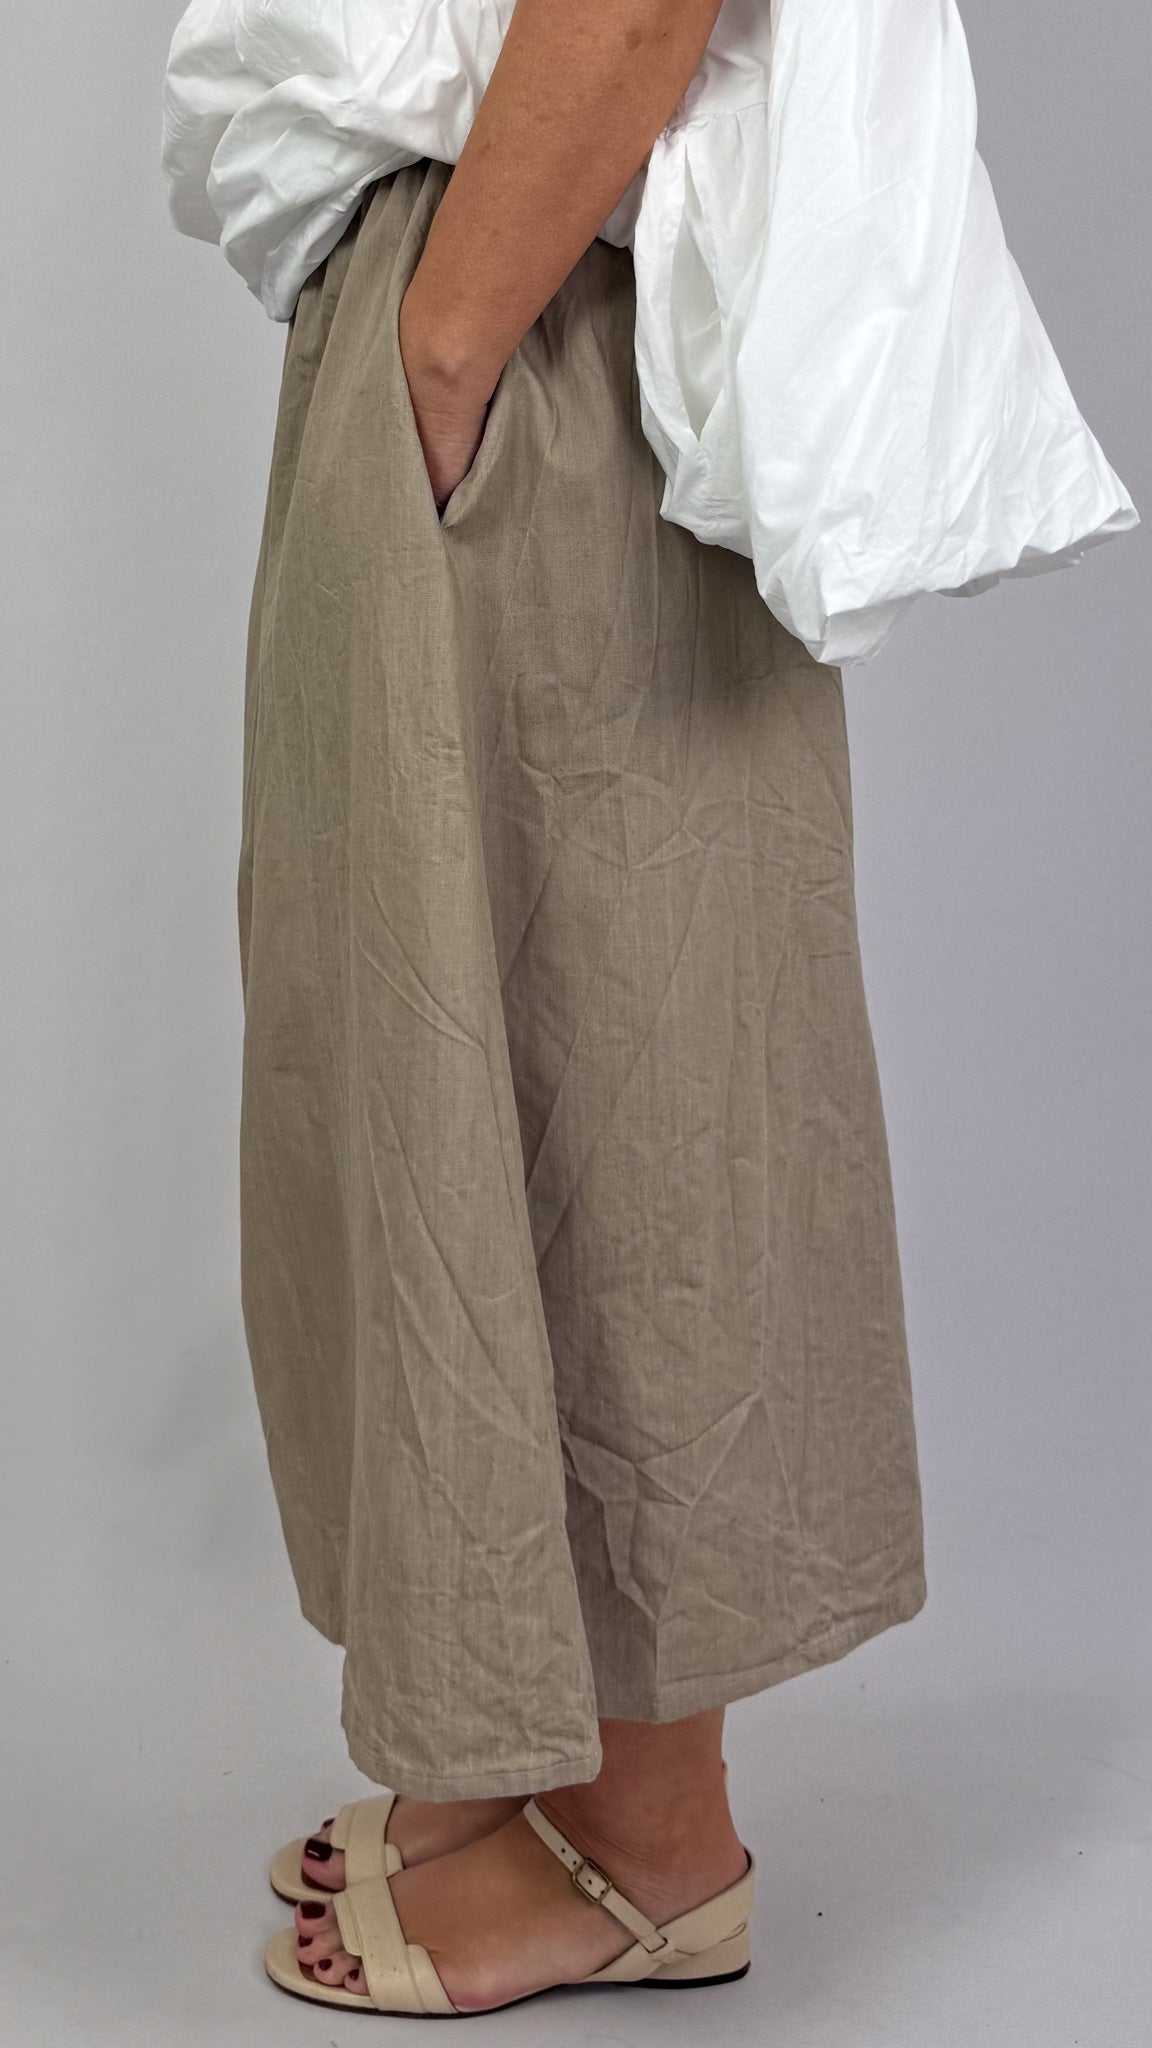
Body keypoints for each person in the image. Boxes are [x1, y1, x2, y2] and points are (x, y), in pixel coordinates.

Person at [161, 0, 1132, 2020]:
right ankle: (513, 1739)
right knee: (459, 1051)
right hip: (489, 272)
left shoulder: (489, 325)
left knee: (628, 1049)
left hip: (542, 300)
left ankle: (655, 1842)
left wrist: (451, 339)